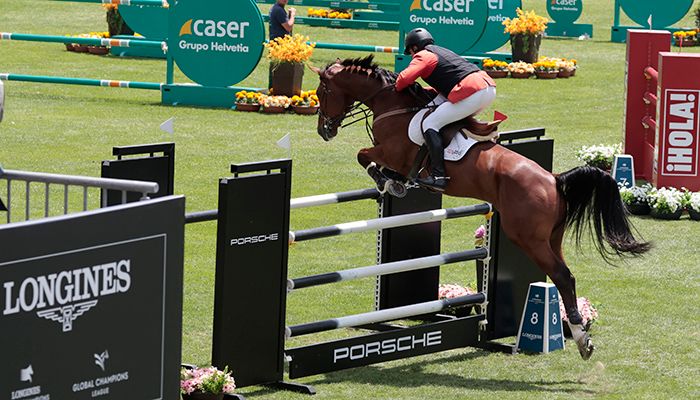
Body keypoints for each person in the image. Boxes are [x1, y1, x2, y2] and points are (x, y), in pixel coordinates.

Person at [396, 28, 497, 192]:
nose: (412, 55)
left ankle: (439, 176)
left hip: (472, 91)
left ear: (414, 47)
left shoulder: (423, 55)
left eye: (411, 52)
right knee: (447, 117)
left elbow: (403, 80)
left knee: (430, 123)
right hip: (487, 87)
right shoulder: (442, 50)